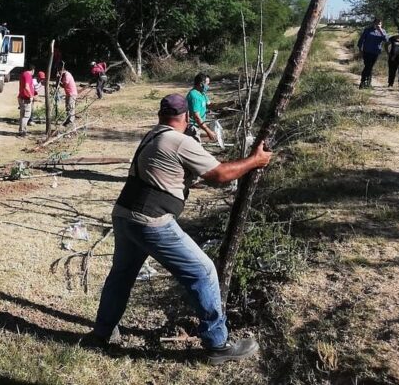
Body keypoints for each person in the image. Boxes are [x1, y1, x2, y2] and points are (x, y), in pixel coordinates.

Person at [82, 94, 273, 365]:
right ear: (185, 117)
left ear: (161, 115)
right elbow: (220, 175)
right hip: (150, 220)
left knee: (122, 275)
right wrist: (255, 161)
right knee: (203, 271)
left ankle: (102, 332)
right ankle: (217, 345)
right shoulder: (178, 140)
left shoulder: (153, 135)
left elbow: (167, 175)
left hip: (124, 214)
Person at [357, 18, 388, 89]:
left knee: (370, 67)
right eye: (377, 23)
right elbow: (361, 40)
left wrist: (380, 31)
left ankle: (368, 83)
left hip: (376, 52)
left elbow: (386, 40)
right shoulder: (367, 30)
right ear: (373, 23)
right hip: (367, 52)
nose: (378, 25)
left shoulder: (383, 31)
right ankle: (363, 82)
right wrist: (360, 50)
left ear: (381, 24)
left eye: (379, 24)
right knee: (368, 66)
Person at [186, 72, 217, 142]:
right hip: (192, 126)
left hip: (199, 125)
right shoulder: (194, 96)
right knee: (195, 146)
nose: (208, 86)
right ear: (201, 84)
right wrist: (208, 131)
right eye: (207, 84)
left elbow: (210, 105)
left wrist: (227, 104)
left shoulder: (202, 93)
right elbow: (197, 117)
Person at [17, 64, 36, 137]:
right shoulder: (28, 75)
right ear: (33, 70)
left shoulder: (23, 74)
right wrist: (31, 96)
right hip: (26, 98)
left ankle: (21, 130)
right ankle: (22, 132)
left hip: (21, 97)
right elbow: (27, 87)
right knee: (26, 116)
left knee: (22, 115)